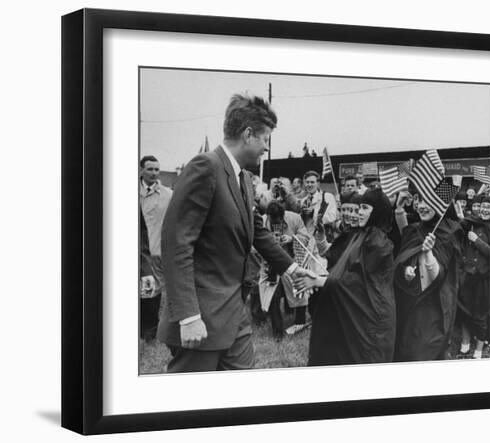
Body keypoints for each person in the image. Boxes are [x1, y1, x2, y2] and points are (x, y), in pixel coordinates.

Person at [157, 93, 309, 372]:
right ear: (248, 134)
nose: (266, 147)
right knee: (190, 406)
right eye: (265, 139)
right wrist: (188, 316)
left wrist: (291, 268)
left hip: (235, 313)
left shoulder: (244, 179)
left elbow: (257, 232)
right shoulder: (205, 167)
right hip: (202, 316)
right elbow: (177, 243)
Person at [294, 189, 396, 365]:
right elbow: (340, 267)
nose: (359, 212)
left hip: (371, 316)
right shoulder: (362, 234)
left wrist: (317, 281)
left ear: (377, 211)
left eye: (365, 208)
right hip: (357, 311)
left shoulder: (377, 241)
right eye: (359, 208)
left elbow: (357, 282)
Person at [393, 193, 463, 361]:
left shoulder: (450, 230)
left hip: (433, 306)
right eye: (419, 200)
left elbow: (438, 277)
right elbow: (407, 242)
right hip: (408, 301)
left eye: (428, 201)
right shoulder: (416, 228)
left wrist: (429, 253)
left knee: (422, 352)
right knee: (403, 349)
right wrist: (400, 209)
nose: (421, 205)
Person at [258, 200, 310, 340]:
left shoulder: (294, 218)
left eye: (278, 221)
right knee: (273, 297)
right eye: (272, 220)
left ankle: (300, 323)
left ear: (283, 215)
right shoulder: (261, 221)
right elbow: (253, 244)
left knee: (299, 291)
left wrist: (292, 238)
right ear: (267, 216)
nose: (276, 224)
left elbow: (306, 237)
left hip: (292, 261)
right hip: (271, 265)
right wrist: (268, 243)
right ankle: (278, 333)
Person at [139, 155, 173, 341]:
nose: (154, 173)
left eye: (156, 169)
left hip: (155, 253)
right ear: (141, 170)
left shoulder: (168, 194)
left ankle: (150, 333)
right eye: (150, 169)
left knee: (151, 293)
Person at [457, 195, 490, 358]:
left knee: (480, 315)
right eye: (483, 206)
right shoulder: (472, 223)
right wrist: (460, 217)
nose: (485, 210)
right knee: (464, 311)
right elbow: (461, 227)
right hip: (468, 276)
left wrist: (477, 241)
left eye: (489, 207)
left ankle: (478, 349)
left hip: (484, 280)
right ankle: (465, 343)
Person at [300, 170, 339, 235]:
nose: (309, 185)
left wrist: (313, 213)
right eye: (307, 182)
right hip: (308, 238)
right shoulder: (303, 201)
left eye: (312, 182)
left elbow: (331, 218)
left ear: (318, 184)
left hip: (324, 237)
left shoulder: (327, 197)